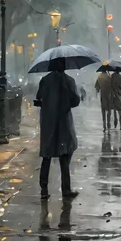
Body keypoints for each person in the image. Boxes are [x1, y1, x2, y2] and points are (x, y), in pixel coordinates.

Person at [34, 58, 81, 201]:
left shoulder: (45, 80)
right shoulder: (69, 81)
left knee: (47, 156)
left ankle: (43, 189)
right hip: (64, 121)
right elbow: (75, 101)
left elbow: (38, 98)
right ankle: (66, 189)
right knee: (65, 155)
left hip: (48, 121)